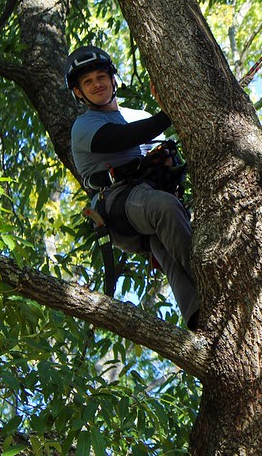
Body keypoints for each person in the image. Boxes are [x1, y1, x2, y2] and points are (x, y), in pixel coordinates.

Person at [65, 45, 200, 330]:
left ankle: (198, 317)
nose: (96, 84)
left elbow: (163, 146)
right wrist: (168, 113)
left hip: (152, 197)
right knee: (162, 208)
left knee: (164, 246)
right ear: (79, 92)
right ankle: (208, 279)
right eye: (87, 82)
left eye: (101, 76)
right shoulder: (84, 125)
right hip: (118, 202)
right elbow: (122, 138)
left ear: (114, 80)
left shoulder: (138, 114)